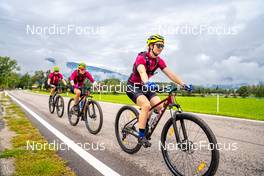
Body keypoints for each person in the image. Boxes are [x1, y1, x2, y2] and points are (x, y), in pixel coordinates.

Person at [126, 34, 191, 147]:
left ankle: (146, 119)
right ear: (151, 46)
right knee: (146, 105)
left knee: (160, 107)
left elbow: (170, 74)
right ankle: (141, 136)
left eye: (162, 46)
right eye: (158, 45)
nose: (160, 48)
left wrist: (183, 83)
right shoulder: (141, 57)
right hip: (134, 86)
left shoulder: (158, 61)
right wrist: (147, 83)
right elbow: (142, 72)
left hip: (146, 87)